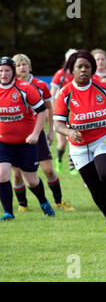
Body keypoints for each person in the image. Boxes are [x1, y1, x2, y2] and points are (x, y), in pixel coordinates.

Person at [53, 50, 106, 231]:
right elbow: (57, 124)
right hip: (79, 146)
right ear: (72, 71)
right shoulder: (64, 93)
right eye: (79, 67)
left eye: (87, 67)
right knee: (94, 187)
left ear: (92, 70)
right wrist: (68, 131)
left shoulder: (103, 88)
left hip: (103, 138)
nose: (83, 70)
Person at [11, 53, 74, 212]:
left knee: (48, 170)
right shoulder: (9, 86)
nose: (22, 67)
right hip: (16, 136)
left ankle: (59, 202)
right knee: (17, 173)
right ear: (13, 69)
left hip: (38, 133)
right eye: (18, 65)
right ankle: (23, 204)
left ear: (30, 66)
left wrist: (52, 132)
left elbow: (49, 109)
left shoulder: (40, 85)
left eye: (24, 64)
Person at [0, 56, 55, 220]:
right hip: (3, 143)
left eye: (7, 70)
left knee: (31, 181)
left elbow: (42, 111)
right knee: (2, 174)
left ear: (13, 72)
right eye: (1, 71)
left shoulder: (24, 88)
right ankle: (8, 212)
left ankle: (43, 201)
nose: (3, 74)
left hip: (26, 143)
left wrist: (36, 134)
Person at [51, 48, 78, 175]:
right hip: (60, 113)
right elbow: (52, 94)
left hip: (74, 113)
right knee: (62, 143)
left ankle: (73, 166)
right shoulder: (60, 74)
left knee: (74, 138)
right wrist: (53, 113)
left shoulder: (79, 74)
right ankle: (59, 160)